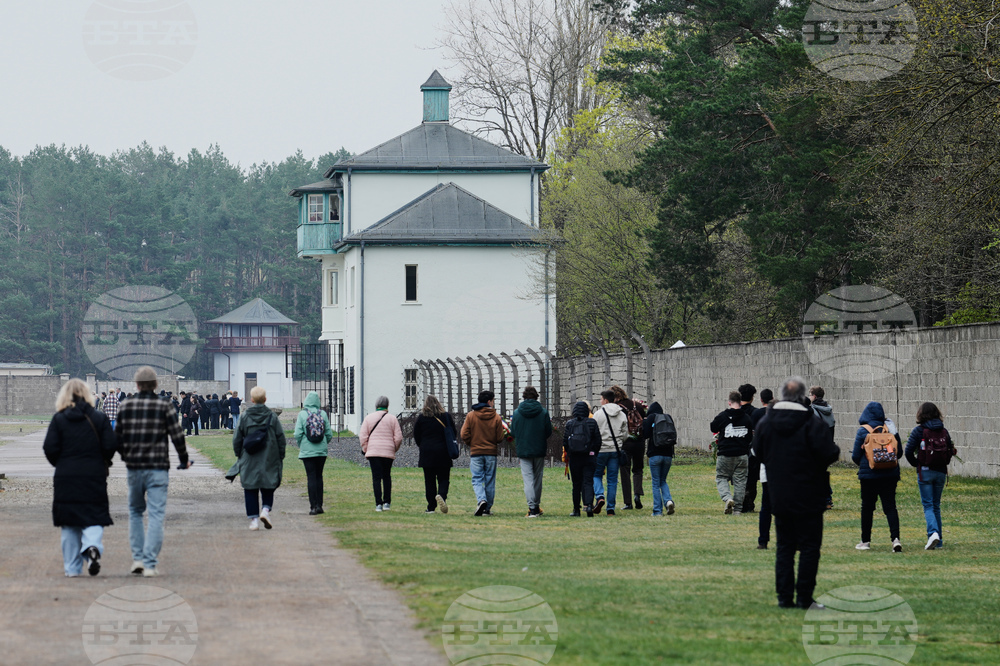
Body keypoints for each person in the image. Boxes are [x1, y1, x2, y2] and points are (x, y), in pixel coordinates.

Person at [755, 377, 839, 609]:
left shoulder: (767, 423)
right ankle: (804, 597)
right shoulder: (812, 423)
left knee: (785, 547)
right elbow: (830, 453)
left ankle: (784, 598)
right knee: (810, 548)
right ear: (802, 396)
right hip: (810, 492)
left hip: (779, 492)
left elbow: (758, 451)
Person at [116, 367, 191, 577]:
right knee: (156, 515)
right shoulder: (164, 406)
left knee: (135, 512)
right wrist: (184, 459)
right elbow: (177, 435)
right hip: (158, 466)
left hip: (135, 467)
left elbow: (117, 438)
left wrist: (126, 456)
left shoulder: (126, 405)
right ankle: (149, 563)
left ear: (137, 385)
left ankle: (138, 558)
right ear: (156, 385)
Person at [43, 379, 118, 577]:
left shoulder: (59, 419)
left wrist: (61, 463)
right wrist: (102, 460)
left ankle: (72, 569)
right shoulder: (99, 418)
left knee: (69, 523)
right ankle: (92, 546)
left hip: (66, 475)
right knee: (94, 515)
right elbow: (110, 445)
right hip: (93, 473)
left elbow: (49, 447)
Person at [232, 386, 286, 530]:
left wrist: (239, 454)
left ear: (252, 399)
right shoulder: (272, 417)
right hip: (269, 456)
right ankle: (266, 510)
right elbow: (281, 438)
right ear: (265, 399)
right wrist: (281, 455)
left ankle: (254, 520)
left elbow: (237, 438)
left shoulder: (245, 416)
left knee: (250, 487)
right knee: (268, 483)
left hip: (249, 456)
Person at [852, 401, 903, 552]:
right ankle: (895, 539)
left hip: (869, 477)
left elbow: (855, 456)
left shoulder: (863, 431)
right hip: (890, 475)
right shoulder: (889, 429)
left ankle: (865, 541)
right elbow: (899, 453)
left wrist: (866, 462)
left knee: (867, 508)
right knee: (890, 507)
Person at [904, 402, 956, 550]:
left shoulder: (919, 431)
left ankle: (933, 533)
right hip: (940, 472)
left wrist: (917, 464)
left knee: (928, 505)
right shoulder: (943, 431)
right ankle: (939, 541)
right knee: (936, 506)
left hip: (925, 472)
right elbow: (950, 449)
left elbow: (908, 451)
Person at [461, 390, 507, 516]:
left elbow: (464, 434)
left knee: (477, 478)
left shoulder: (471, 415)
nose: (493, 403)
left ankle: (481, 500)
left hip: (476, 452)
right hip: (491, 453)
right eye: (493, 401)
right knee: (490, 480)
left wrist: (472, 443)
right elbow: (499, 437)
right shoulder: (496, 417)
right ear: (489, 401)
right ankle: (487, 508)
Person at [510, 386, 553, 518]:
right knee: (537, 478)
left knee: (528, 479)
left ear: (524, 397)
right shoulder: (543, 412)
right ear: (536, 397)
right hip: (539, 448)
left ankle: (532, 508)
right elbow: (548, 431)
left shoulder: (517, 413)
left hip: (523, 449)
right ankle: (536, 505)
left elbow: (513, 432)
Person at [710, 391, 754, 514]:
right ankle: (737, 509)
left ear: (729, 402)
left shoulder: (723, 416)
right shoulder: (747, 418)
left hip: (725, 454)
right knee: (740, 482)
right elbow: (749, 438)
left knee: (722, 477)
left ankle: (727, 498)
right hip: (742, 455)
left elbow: (713, 427)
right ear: (740, 402)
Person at [413, 395, 455, 514]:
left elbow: (416, 435)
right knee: (444, 478)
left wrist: (423, 445)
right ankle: (441, 495)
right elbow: (453, 432)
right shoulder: (446, 417)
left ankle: (431, 507)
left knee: (429, 480)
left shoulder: (421, 418)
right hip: (443, 452)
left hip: (427, 452)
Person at [359, 396, 403, 511]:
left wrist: (366, 449)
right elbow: (398, 437)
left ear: (376, 405)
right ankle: (387, 502)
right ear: (387, 405)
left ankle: (378, 504)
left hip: (373, 451)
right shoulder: (392, 419)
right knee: (387, 476)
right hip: (388, 451)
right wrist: (393, 448)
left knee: (376, 478)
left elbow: (363, 436)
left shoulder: (368, 418)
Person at [294, 391, 333, 515]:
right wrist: (324, 443)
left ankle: (313, 506)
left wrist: (302, 444)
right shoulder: (323, 414)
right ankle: (320, 505)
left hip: (307, 451)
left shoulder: (302, 414)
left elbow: (297, 434)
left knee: (311, 477)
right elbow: (329, 433)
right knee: (319, 477)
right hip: (321, 451)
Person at [592, 389, 629, 516]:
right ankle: (610, 509)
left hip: (601, 450)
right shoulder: (622, 414)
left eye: (601, 399)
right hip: (615, 450)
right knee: (612, 480)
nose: (600, 401)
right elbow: (625, 434)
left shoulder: (598, 414)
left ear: (606, 400)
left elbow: (594, 432)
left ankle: (599, 496)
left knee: (596, 475)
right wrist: (619, 442)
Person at [562, 400, 601, 517]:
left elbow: (565, 442)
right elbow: (598, 440)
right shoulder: (592, 422)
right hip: (589, 457)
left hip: (575, 458)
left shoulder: (570, 423)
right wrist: (593, 452)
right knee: (588, 481)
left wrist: (570, 453)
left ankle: (576, 509)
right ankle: (588, 505)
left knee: (576, 484)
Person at [610, 385, 646, 511]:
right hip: (639, 442)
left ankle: (628, 502)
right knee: (638, 469)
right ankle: (637, 494)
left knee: (625, 471)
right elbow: (644, 420)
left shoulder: (617, 409)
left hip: (626, 442)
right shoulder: (637, 405)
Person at [643, 401, 677, 516]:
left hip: (655, 454)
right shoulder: (668, 417)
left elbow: (645, 434)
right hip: (668, 455)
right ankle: (668, 501)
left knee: (656, 483)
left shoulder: (651, 417)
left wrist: (645, 422)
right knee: (663, 480)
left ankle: (657, 510)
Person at [752, 389, 775, 549]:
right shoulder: (789, 426)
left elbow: (755, 450)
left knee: (766, 507)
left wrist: (764, 460)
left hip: (767, 471)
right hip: (785, 473)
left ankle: (763, 541)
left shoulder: (763, 427)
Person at [739, 384, 760, 513]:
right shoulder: (756, 413)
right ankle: (749, 502)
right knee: (752, 479)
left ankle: (741, 501)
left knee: (739, 478)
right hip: (752, 450)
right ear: (752, 397)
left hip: (738, 449)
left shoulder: (734, 413)